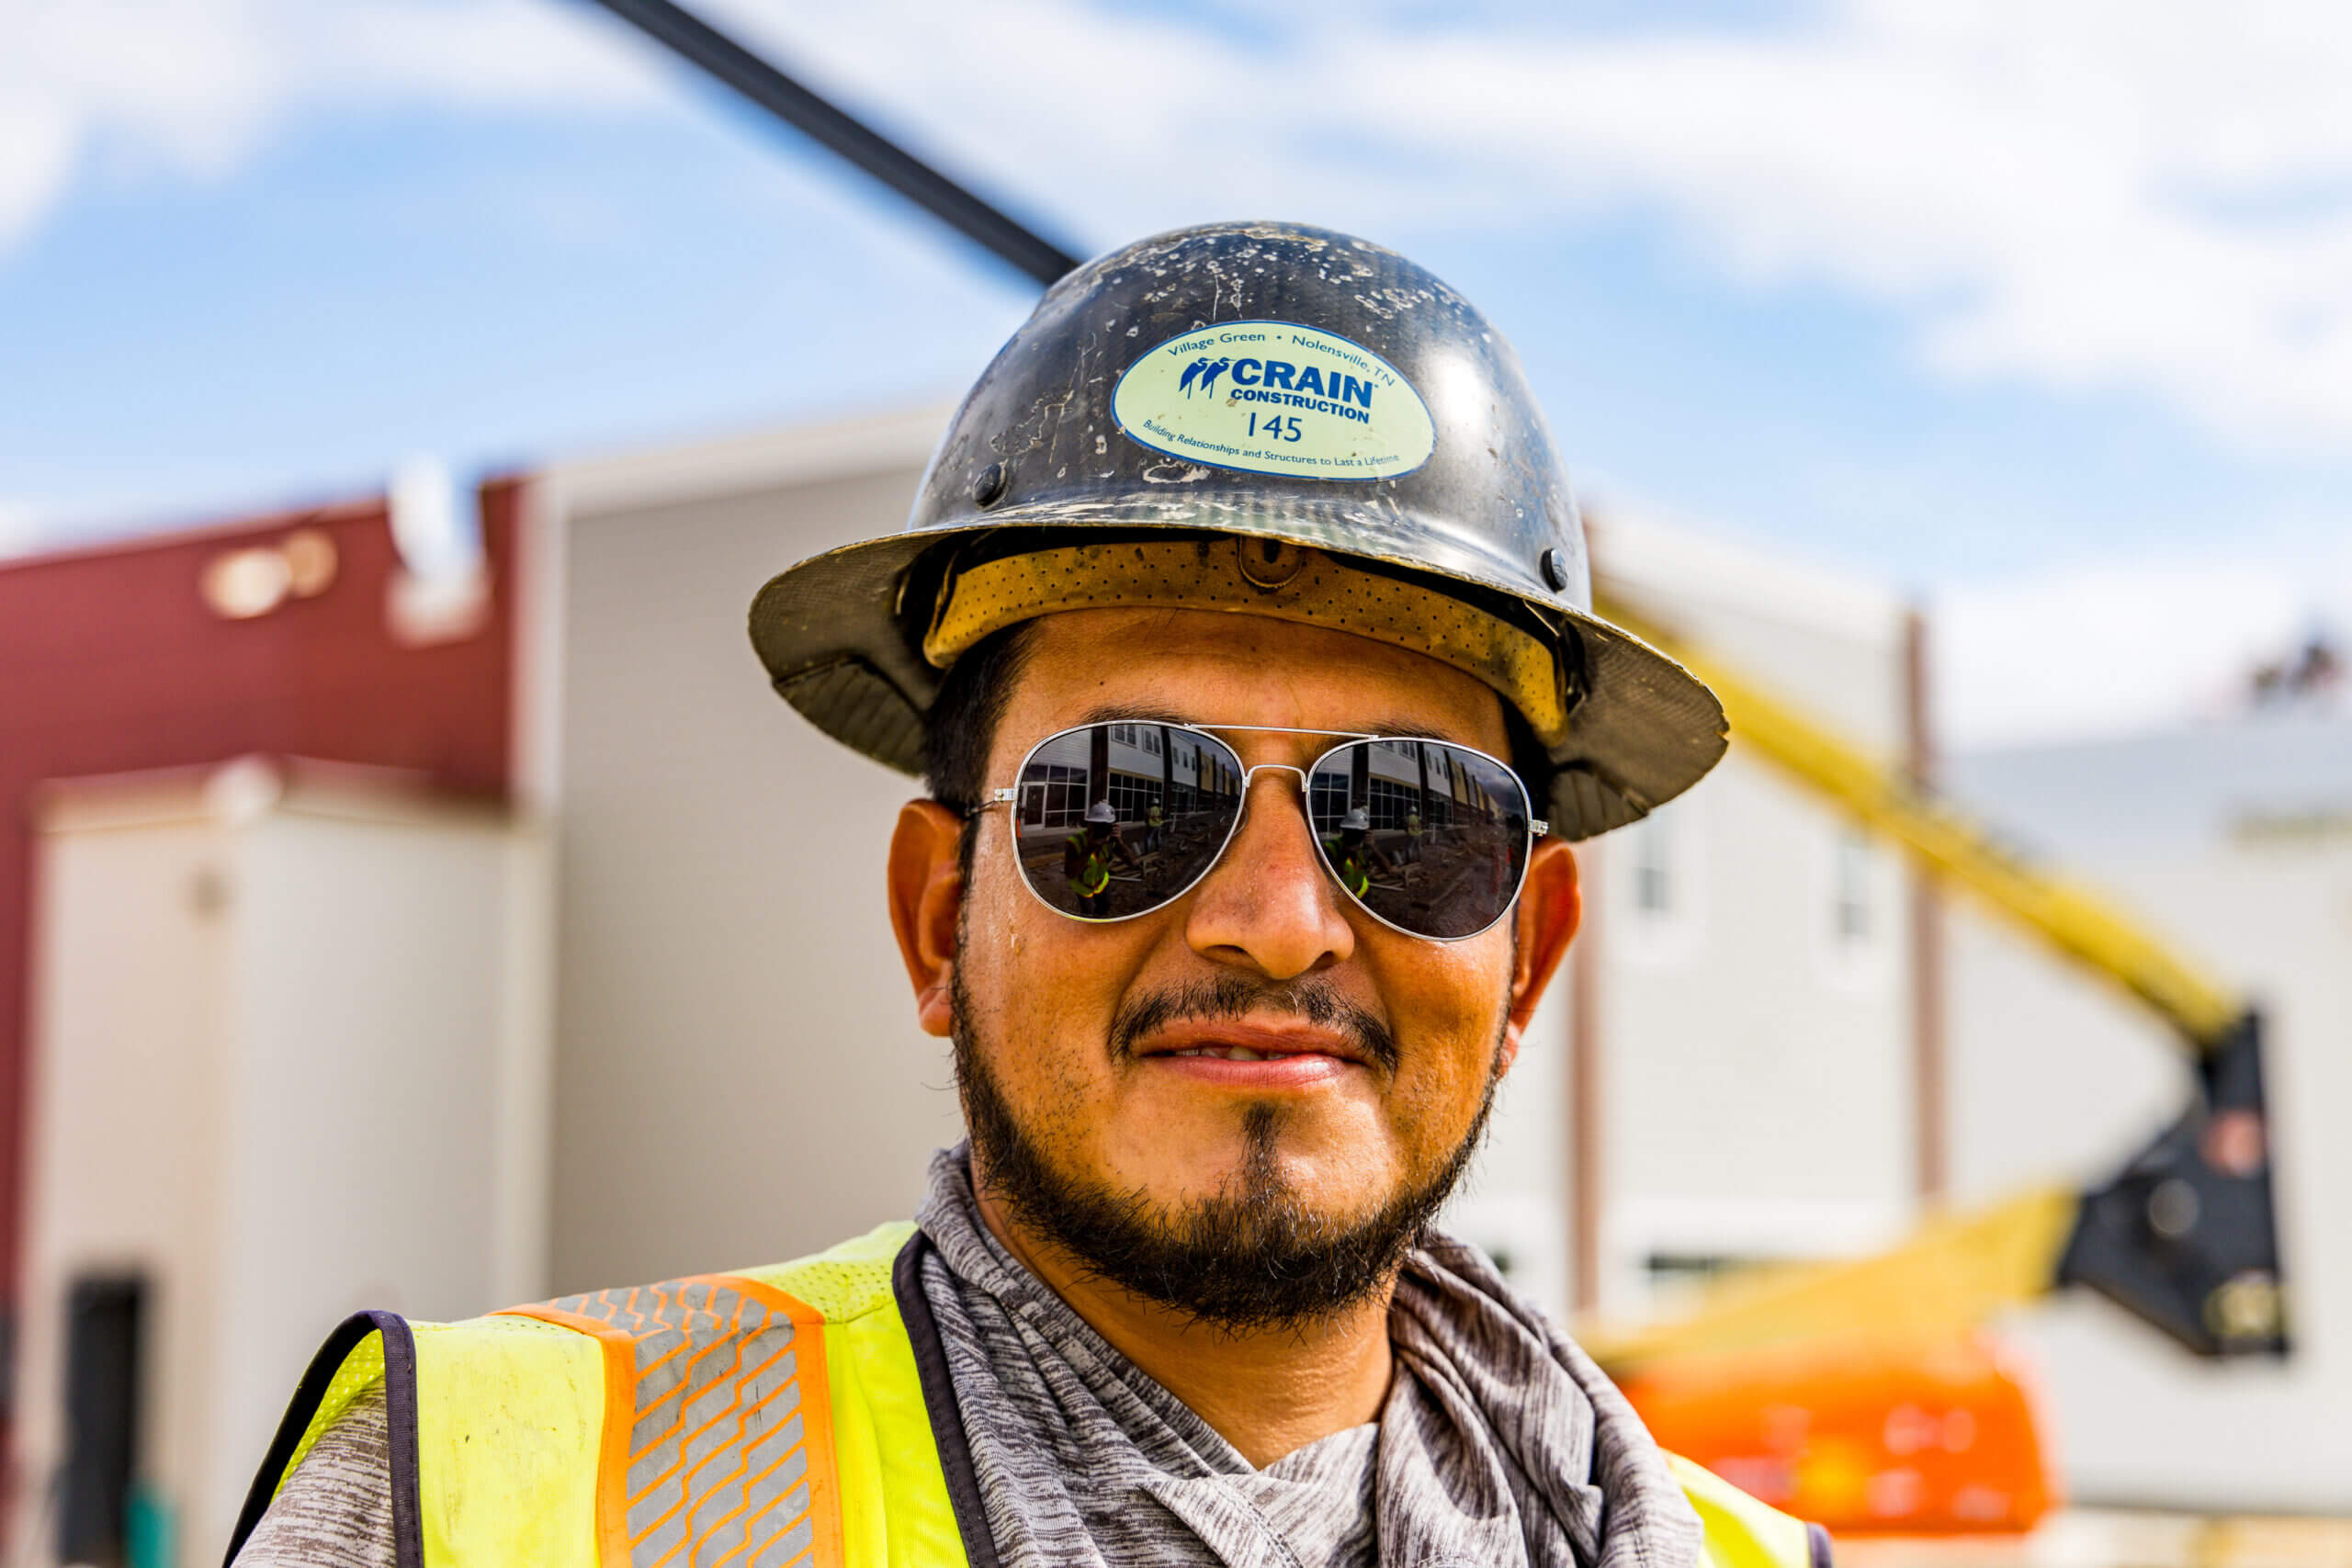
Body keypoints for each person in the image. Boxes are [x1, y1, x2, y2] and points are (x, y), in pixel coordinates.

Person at [229, 221, 1817, 1568]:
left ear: (1527, 958)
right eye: (1125, 799)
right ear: (938, 918)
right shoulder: (490, 1500)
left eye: (1406, 823)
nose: (1276, 918)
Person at [1065, 798, 1144, 917]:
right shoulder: (1075, 842)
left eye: (1105, 826)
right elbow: (1070, 874)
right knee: (1088, 913)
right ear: (1089, 824)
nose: (1101, 830)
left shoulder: (1111, 840)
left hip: (1102, 882)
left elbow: (1133, 863)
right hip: (1082, 886)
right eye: (1097, 825)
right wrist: (1090, 848)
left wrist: (1120, 842)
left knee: (1106, 905)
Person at [1331, 806, 1397, 898]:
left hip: (1363, 894)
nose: (1355, 837)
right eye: (1352, 833)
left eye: (1360, 833)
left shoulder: (1365, 849)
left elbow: (1388, 869)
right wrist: (1347, 850)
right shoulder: (1333, 847)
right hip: (1343, 898)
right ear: (1344, 831)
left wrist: (1373, 847)